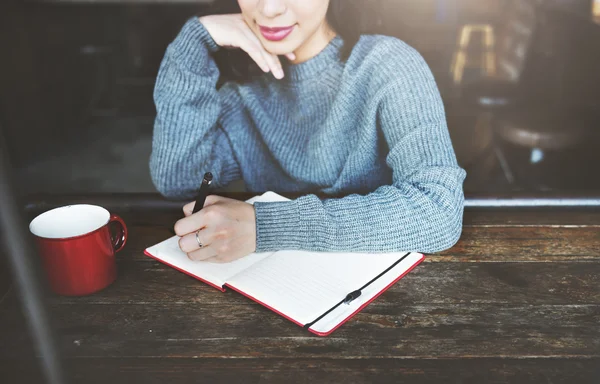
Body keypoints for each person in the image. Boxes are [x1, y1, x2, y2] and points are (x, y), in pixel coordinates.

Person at [150, 0, 466, 263]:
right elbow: (178, 181)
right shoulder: (242, 96)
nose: (270, 8)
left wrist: (265, 228)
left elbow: (439, 210)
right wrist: (192, 45)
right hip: (275, 295)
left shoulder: (388, 65)